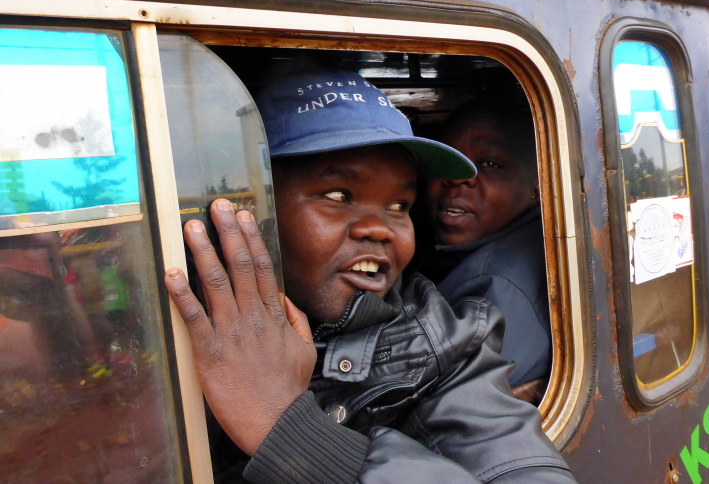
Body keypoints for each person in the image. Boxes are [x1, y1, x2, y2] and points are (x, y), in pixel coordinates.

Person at [164, 67, 576, 483]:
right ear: (255, 208)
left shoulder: (441, 346)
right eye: (339, 196)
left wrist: (290, 433)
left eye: (398, 205)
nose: (380, 229)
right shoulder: (167, 331)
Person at [423, 100, 551, 396]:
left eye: (490, 164)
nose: (456, 177)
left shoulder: (493, 287)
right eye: (447, 158)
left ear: (537, 188)